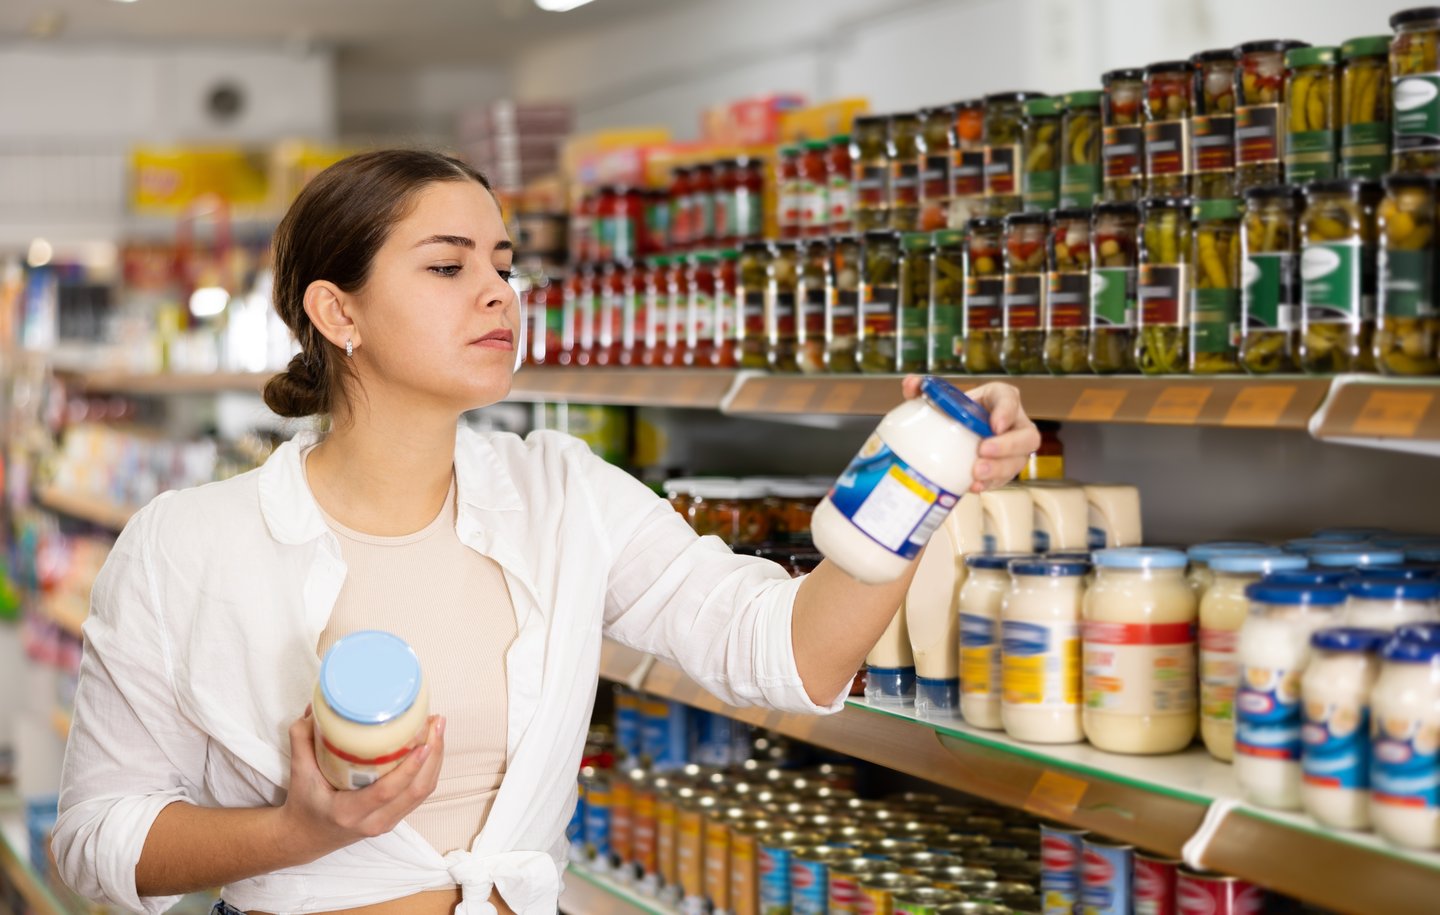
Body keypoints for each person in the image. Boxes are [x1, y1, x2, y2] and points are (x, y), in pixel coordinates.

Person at [51, 149, 1040, 915]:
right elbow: (97, 837)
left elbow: (787, 656)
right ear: (336, 311)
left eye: (504, 265)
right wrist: (295, 831)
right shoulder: (190, 543)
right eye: (447, 266)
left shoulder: (562, 493)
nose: (498, 293)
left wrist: (927, 479)